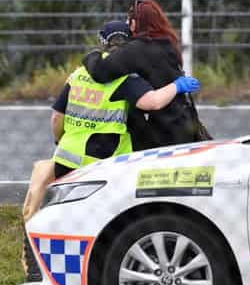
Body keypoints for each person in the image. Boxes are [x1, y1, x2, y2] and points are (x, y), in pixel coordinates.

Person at [52, 20, 200, 178]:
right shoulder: (126, 77)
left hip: (66, 159)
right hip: (104, 162)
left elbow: (56, 118)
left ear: (102, 41)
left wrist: (59, 140)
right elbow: (153, 102)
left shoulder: (79, 74)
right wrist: (177, 86)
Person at [83, 0, 211, 146]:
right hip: (184, 122)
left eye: (129, 20)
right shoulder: (167, 43)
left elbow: (101, 72)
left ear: (135, 23)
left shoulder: (136, 50)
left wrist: (92, 56)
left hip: (162, 131)